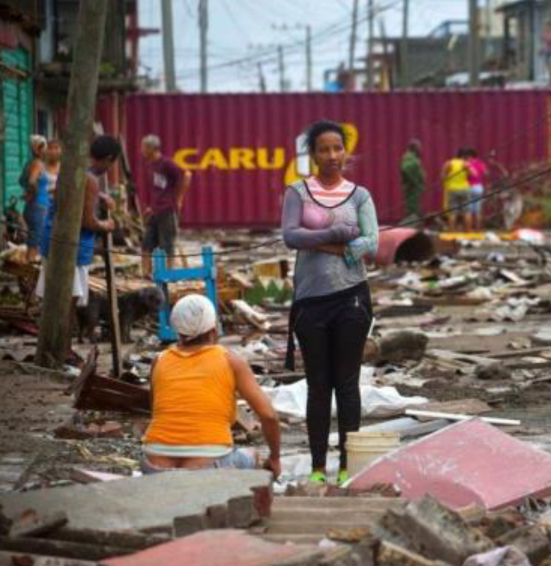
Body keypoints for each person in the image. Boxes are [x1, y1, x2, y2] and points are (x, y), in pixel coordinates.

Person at [281, 120, 379, 485]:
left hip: (351, 297)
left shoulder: (360, 196)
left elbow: (371, 242)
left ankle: (346, 468)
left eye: (338, 148)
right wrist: (335, 237)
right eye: (324, 149)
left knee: (347, 384)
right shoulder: (298, 192)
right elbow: (290, 236)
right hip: (310, 301)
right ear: (313, 154)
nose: (332, 155)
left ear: (345, 151)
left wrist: (326, 243)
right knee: (318, 385)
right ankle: (319, 467)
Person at [143, 294, 281, 478]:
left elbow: (155, 409)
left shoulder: (159, 360)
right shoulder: (231, 361)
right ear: (214, 329)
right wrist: (275, 458)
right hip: (207, 466)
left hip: (153, 464)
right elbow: (269, 416)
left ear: (178, 330)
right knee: (252, 454)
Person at [37, 135, 118, 311]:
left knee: (55, 300)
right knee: (67, 303)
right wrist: (107, 225)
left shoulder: (73, 169)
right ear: (109, 159)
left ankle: (54, 337)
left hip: (53, 239)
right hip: (71, 246)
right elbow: (88, 222)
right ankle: (60, 339)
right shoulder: (91, 180)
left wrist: (100, 196)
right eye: (112, 164)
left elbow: (68, 198)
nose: (111, 168)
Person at [141, 134, 193, 275]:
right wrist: (150, 206)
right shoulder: (150, 164)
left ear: (152, 148)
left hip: (167, 209)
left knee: (167, 245)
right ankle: (145, 274)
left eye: (144, 147)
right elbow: (157, 189)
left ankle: (168, 274)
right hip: (155, 210)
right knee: (146, 243)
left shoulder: (166, 163)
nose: (141, 150)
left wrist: (179, 198)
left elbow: (186, 175)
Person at [20, 135, 50, 263]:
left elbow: (22, 181)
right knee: (35, 239)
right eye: (44, 148)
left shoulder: (31, 162)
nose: (46, 150)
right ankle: (29, 267)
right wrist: (33, 194)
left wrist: (29, 194)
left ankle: (30, 269)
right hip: (38, 206)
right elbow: (32, 181)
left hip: (35, 206)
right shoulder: (37, 163)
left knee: (34, 238)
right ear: (38, 149)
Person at [441, 148, 472, 231]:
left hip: (452, 189)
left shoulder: (449, 163)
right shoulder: (466, 164)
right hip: (464, 189)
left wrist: (445, 183)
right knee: (467, 211)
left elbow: (442, 176)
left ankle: (452, 232)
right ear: (463, 156)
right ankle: (468, 232)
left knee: (452, 212)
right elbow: (471, 174)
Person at [399, 139, 425, 226]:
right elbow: (405, 169)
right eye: (419, 147)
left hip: (413, 187)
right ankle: (410, 226)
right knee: (412, 208)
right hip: (411, 187)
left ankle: (413, 225)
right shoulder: (410, 157)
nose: (420, 149)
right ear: (414, 148)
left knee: (414, 207)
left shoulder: (412, 156)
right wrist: (414, 181)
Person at [465, 148, 488, 231]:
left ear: (469, 155)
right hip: (479, 187)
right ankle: (478, 229)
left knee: (469, 210)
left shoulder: (467, 163)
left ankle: (469, 230)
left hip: (469, 187)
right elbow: (486, 173)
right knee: (478, 210)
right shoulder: (480, 163)